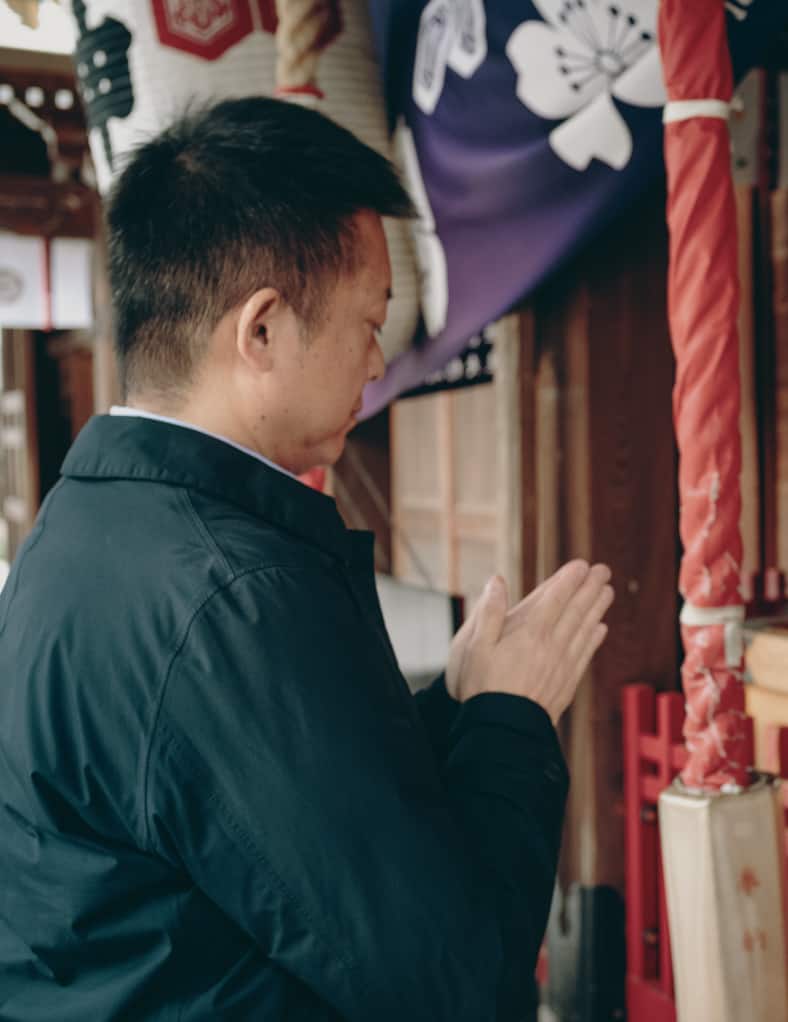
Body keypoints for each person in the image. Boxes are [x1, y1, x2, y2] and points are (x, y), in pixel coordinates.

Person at [0, 98, 613, 1022]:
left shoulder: (81, 526)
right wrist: (509, 718)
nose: (376, 361)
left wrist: (453, 702)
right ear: (262, 330)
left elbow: (228, 805)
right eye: (368, 322)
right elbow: (450, 984)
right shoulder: (228, 595)